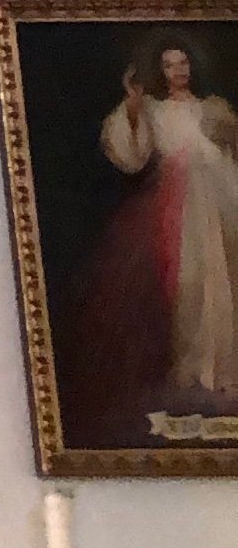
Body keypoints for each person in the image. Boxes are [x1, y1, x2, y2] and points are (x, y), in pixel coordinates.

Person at [72, 40, 238, 423]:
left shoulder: (214, 108)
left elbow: (228, 155)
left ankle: (224, 375)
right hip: (177, 204)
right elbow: (131, 155)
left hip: (221, 203)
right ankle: (191, 373)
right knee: (186, 284)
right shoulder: (152, 110)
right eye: (169, 65)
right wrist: (131, 106)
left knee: (224, 283)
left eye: (183, 64)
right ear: (159, 71)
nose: (178, 71)